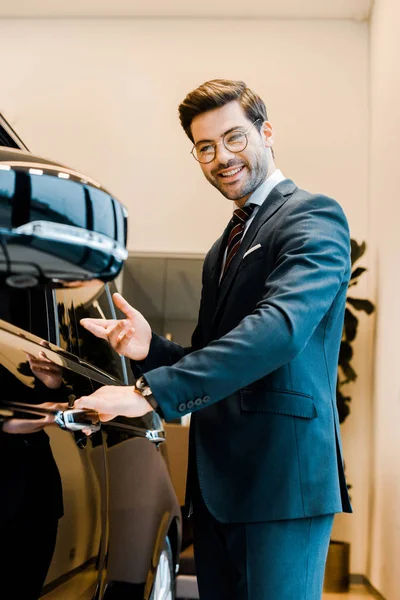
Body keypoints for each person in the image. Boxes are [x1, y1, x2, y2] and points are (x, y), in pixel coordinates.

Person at [75, 79, 352, 600]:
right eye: (205, 147)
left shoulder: (312, 216)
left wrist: (146, 394)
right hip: (216, 487)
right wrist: (149, 349)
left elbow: (278, 329)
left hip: (280, 486)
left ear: (266, 133)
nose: (221, 156)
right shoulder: (220, 249)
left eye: (234, 138)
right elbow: (210, 358)